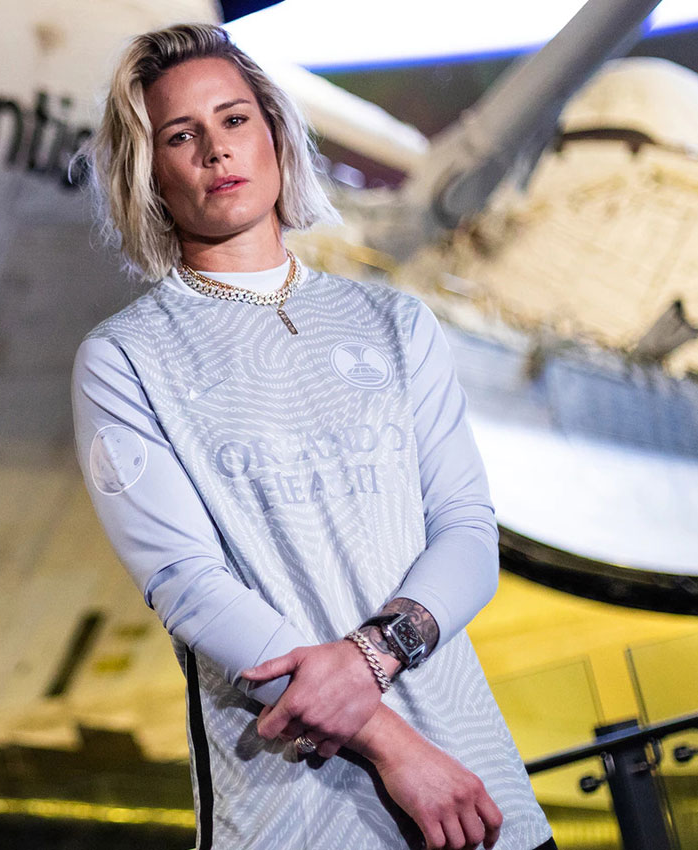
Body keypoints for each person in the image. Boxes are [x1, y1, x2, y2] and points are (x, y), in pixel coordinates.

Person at [70, 22, 556, 850]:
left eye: (234, 120)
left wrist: (372, 654)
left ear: (275, 134)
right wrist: (396, 749)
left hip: (475, 788)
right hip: (294, 813)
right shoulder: (123, 358)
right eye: (181, 135)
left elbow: (468, 532)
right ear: (147, 172)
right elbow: (189, 586)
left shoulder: (394, 320)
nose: (216, 150)